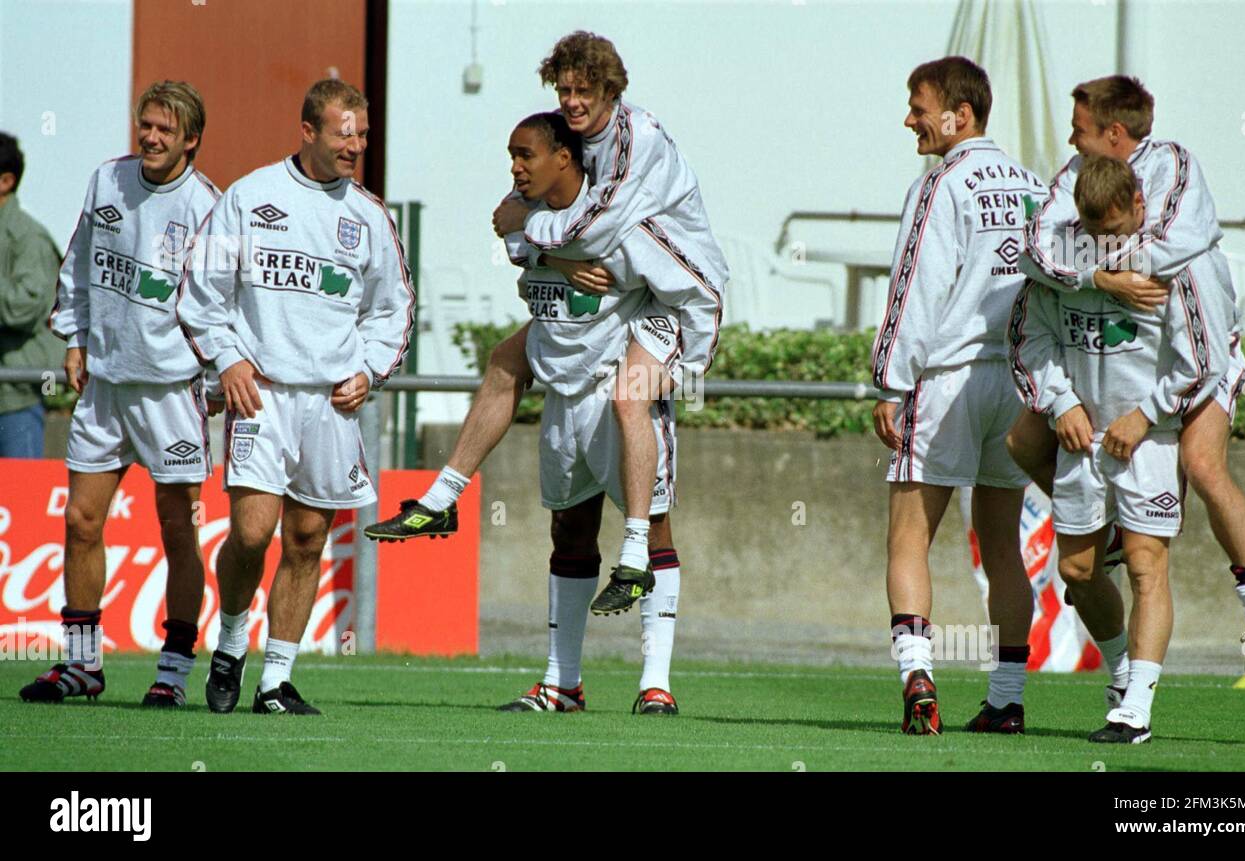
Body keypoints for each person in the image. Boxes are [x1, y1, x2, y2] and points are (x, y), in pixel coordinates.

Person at [364, 30, 727, 617]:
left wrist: (536, 234)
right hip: (604, 308)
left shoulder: (639, 142)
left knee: (631, 397)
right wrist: (550, 252)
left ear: (612, 90)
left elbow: (597, 231)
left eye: (584, 90)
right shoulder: (566, 141)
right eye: (564, 90)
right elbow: (512, 233)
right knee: (507, 360)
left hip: (679, 297)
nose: (573, 101)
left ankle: (634, 556)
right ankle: (443, 496)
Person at [1012, 75, 1245, 678]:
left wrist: (1083, 258)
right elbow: (1033, 248)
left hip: (1202, 344)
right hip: (1127, 352)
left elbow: (1172, 246)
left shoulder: (1175, 167)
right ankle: (1107, 535)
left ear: (1115, 134)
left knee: (1204, 463)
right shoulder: (1076, 177)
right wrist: (1099, 278)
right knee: (1024, 441)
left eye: (1080, 128)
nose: (1070, 138)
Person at [177, 78, 414, 715]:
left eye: (362, 135)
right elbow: (201, 293)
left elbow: (393, 310)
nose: (355, 146)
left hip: (331, 406)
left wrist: (369, 370)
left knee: (308, 540)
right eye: (344, 133)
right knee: (252, 534)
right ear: (307, 130)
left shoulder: (369, 216)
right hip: (265, 397)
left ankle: (276, 680)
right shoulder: (250, 197)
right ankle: (230, 641)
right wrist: (227, 360)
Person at [494, 113, 717, 714]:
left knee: (654, 528)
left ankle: (656, 683)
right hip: (565, 393)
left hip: (624, 381)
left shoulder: (626, 213)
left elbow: (696, 283)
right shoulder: (526, 213)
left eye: (525, 154)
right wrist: (553, 251)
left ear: (566, 156)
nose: (515, 168)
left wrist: (685, 360)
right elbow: (509, 229)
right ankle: (562, 682)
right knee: (569, 528)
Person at [1009, 155, 1230, 742]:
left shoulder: (1169, 264)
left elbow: (1203, 361)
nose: (1108, 242)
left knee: (1145, 565)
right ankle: (1122, 673)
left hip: (1147, 440)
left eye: (1116, 227)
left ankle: (1135, 709)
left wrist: (1148, 414)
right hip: (1083, 439)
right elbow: (1031, 341)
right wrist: (1061, 404)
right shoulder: (1062, 265)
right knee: (1078, 571)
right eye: (1095, 232)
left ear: (1139, 202)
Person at [23, 82, 220, 707]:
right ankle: (82, 666)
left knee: (178, 532)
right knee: (81, 520)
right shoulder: (107, 180)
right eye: (146, 125)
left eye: (165, 129)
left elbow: (223, 303)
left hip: (170, 392)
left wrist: (216, 380)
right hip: (105, 385)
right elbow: (79, 264)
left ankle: (172, 673)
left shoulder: (208, 205)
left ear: (190, 138)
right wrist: (76, 339)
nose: (151, 138)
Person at [869, 56, 1046, 735]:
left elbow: (916, 288)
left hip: (947, 381)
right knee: (1001, 542)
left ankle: (918, 672)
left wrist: (889, 379)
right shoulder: (1034, 186)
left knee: (909, 537)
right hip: (1016, 381)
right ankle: (1006, 697)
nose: (909, 118)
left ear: (959, 115)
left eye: (918, 106)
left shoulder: (940, 183)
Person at [0, 132, 62, 458]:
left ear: (6, 181)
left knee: (17, 500)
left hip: (15, 396)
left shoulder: (28, 237)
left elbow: (23, 307)